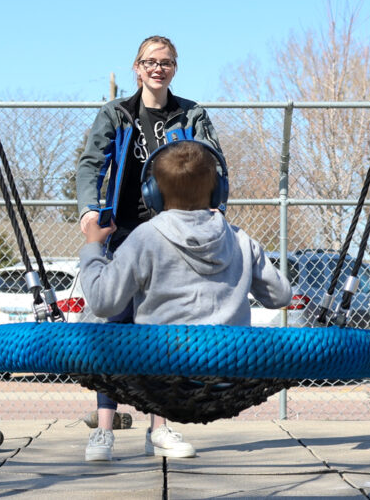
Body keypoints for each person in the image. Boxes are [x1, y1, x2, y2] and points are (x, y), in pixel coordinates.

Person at [79, 140, 292, 461]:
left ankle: (106, 425)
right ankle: (154, 430)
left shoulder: (145, 237)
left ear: (153, 194)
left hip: (158, 377)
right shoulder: (241, 240)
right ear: (219, 191)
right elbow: (280, 296)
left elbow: (102, 302)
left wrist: (94, 248)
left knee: (96, 320)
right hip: (226, 377)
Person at [75, 35, 221, 462]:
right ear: (137, 68)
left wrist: (216, 212)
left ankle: (159, 427)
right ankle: (104, 430)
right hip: (123, 232)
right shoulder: (117, 114)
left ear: (175, 68)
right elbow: (91, 163)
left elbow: (213, 163)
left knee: (163, 331)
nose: (158, 68)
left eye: (167, 62)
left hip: (172, 235)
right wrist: (89, 213)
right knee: (110, 324)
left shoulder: (190, 115)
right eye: (150, 61)